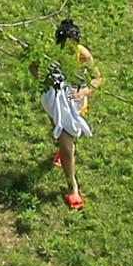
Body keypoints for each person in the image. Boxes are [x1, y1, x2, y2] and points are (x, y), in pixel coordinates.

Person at [43, 66, 91, 209]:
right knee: (61, 138)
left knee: (66, 144)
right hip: (54, 97)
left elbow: (99, 79)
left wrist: (84, 92)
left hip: (75, 98)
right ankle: (71, 180)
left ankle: (72, 186)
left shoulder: (82, 55)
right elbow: (33, 66)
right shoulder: (49, 51)